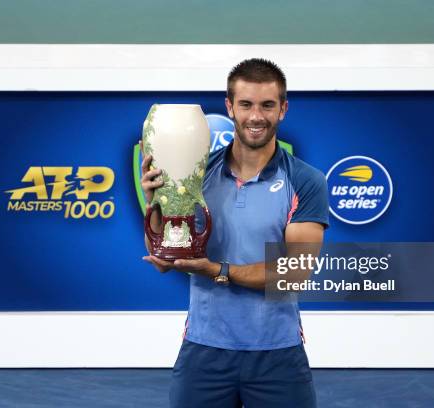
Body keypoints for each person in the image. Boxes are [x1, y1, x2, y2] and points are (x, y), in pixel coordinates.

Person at [141, 58, 329, 408]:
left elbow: (295, 273)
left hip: (277, 353)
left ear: (283, 109)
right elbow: (164, 260)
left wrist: (218, 271)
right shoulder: (196, 175)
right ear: (230, 108)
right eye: (245, 104)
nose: (256, 116)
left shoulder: (305, 181)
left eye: (267, 105)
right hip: (205, 349)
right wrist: (158, 205)